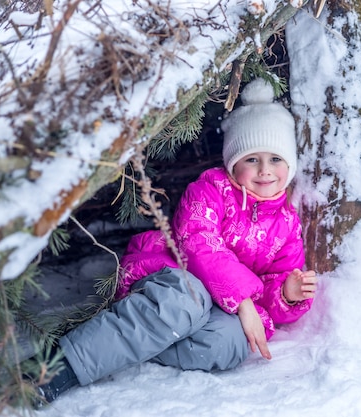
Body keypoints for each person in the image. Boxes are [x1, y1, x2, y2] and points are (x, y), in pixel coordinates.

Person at [32, 78, 318, 405]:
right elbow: (198, 241)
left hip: (220, 310)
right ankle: (59, 367)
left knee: (228, 343)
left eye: (276, 159)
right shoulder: (210, 190)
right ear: (234, 162)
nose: (265, 170)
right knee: (187, 302)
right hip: (172, 278)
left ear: (290, 165)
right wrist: (243, 300)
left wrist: (285, 293)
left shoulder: (287, 223)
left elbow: (273, 286)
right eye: (252, 159)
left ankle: (135, 342)